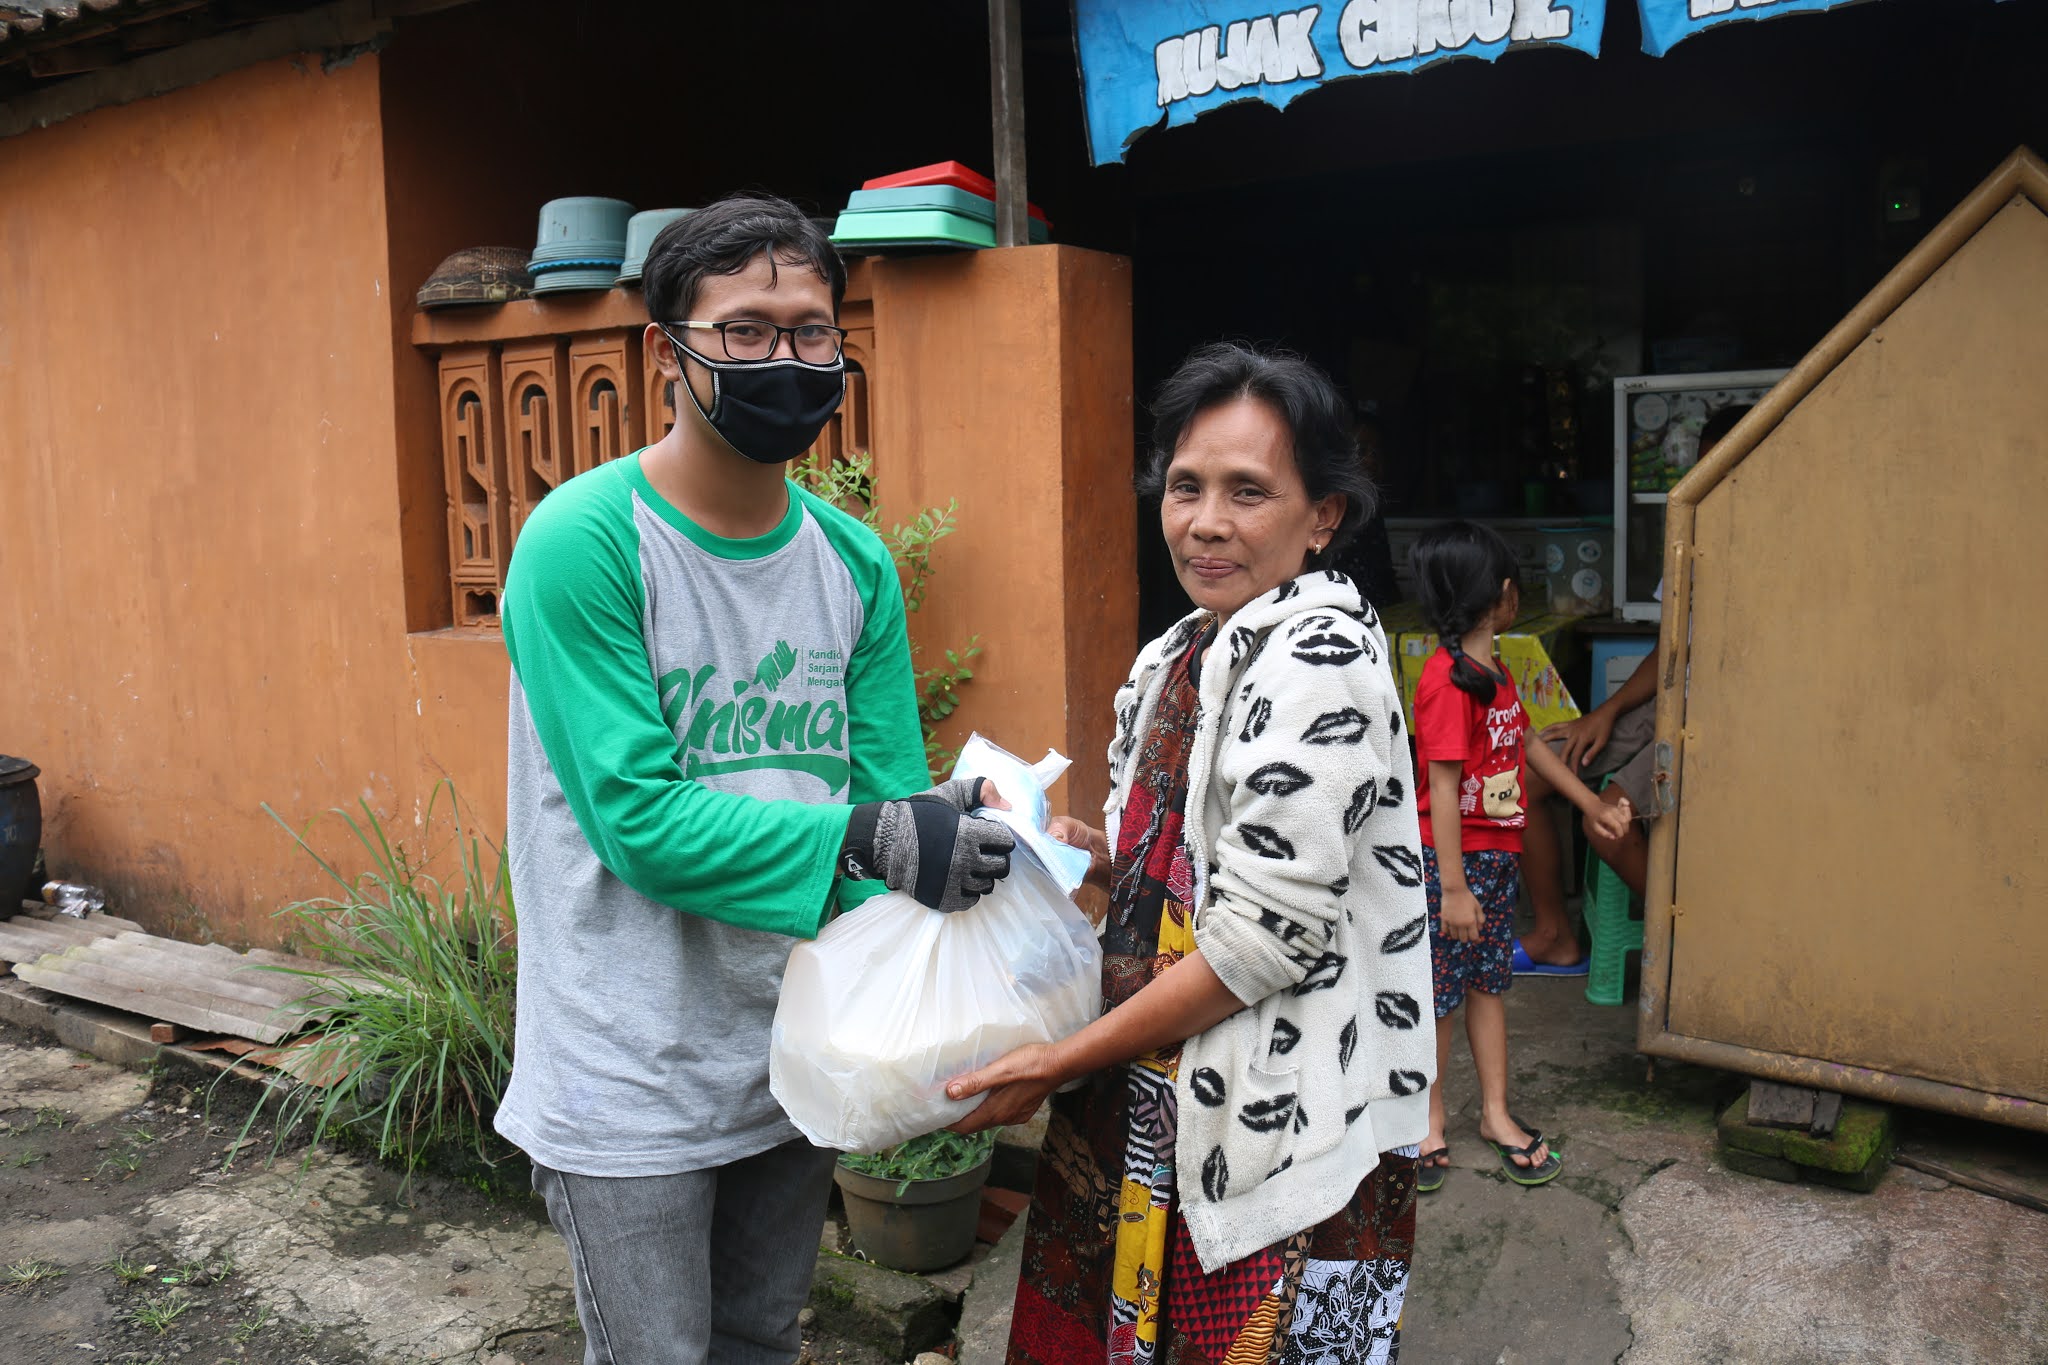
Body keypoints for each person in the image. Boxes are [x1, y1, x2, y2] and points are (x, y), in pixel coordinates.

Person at [492, 194, 1016, 1365]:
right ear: (663, 352)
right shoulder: (584, 542)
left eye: (810, 329)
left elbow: (883, 793)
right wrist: (863, 838)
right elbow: (636, 821)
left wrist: (964, 833)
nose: (785, 357)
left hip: (796, 1048)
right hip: (626, 1065)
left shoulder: (851, 559)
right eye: (743, 329)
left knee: (760, 1342)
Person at [946, 342, 1436, 1365]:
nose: (1205, 521)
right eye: (1184, 486)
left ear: (1322, 518)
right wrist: (1078, 854)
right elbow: (1177, 876)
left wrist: (1058, 1063)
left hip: (1266, 1126)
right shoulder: (1176, 653)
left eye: (1248, 491)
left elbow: (1261, 943)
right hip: (1140, 1097)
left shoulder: (1320, 662)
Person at [1407, 521, 1633, 1190]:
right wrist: (1451, 887)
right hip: (1452, 867)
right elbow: (1441, 791)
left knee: (1488, 987)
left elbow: (1528, 744)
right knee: (1441, 997)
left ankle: (1497, 1114)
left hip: (1492, 865)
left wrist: (1590, 806)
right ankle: (1429, 1120)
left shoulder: (1493, 671)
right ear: (1505, 595)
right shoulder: (1446, 683)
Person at [1515, 404, 1753, 968]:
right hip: (1666, 702)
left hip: (1720, 719)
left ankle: (1697, 955)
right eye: (1701, 469)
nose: (1706, 483)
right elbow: (1672, 649)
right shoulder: (1692, 540)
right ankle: (1556, 935)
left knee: (1608, 824)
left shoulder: (1773, 555)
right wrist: (1607, 712)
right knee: (1523, 777)